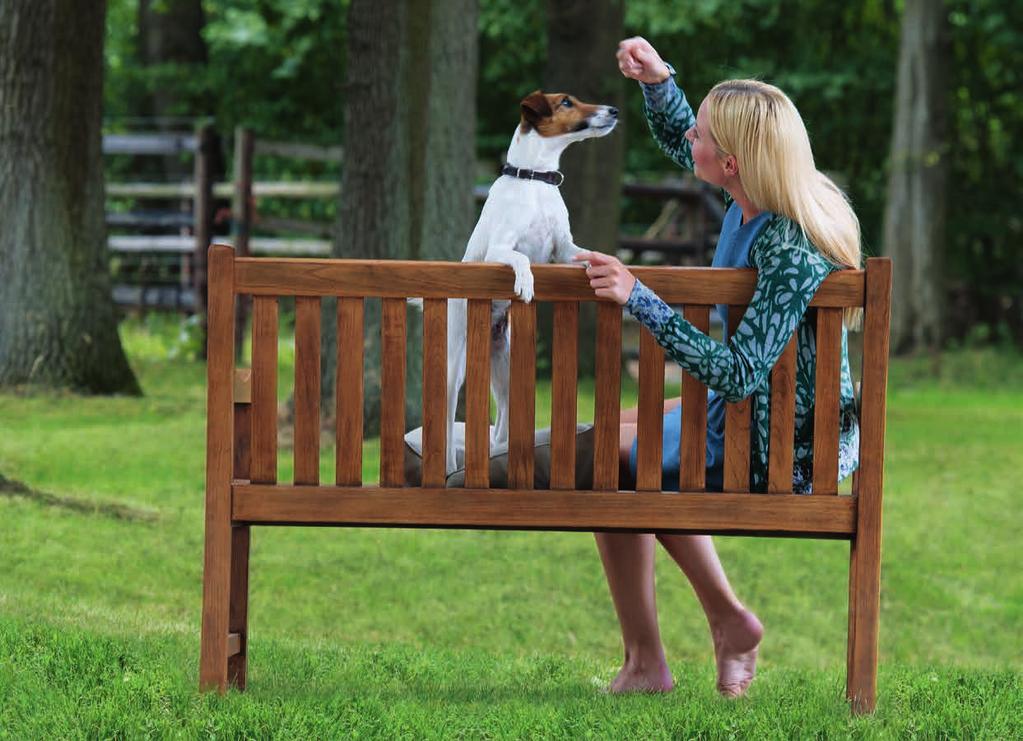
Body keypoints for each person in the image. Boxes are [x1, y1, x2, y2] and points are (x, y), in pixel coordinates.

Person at [572, 37, 863, 696]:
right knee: (610, 437)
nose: (687, 142)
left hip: (786, 447)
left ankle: (665, 652)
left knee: (609, 459)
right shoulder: (750, 195)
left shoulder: (787, 243)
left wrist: (638, 296)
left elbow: (736, 372)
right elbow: (684, 139)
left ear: (729, 162)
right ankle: (708, 630)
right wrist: (658, 80)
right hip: (759, 416)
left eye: (701, 136)